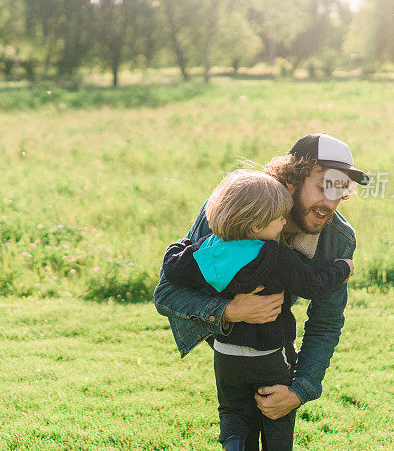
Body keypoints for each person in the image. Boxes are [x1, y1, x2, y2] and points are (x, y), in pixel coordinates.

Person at [154, 133, 369, 450]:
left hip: (272, 346)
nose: (332, 203)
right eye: (326, 185)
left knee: (259, 421)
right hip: (226, 341)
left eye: (342, 190)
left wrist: (299, 390)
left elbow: (325, 320)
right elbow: (167, 294)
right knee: (243, 421)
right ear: (293, 180)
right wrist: (230, 311)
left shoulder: (337, 238)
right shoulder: (233, 208)